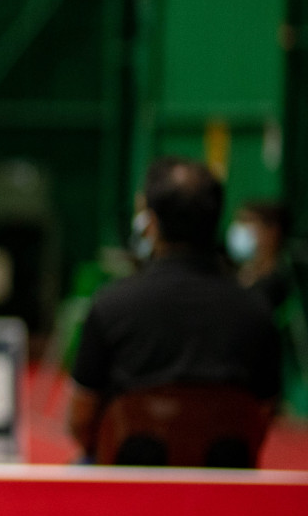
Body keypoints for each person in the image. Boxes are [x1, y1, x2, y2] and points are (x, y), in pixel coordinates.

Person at [68, 158, 281, 456]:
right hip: (223, 486)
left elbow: (81, 420)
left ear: (151, 225)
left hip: (130, 482)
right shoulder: (257, 312)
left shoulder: (110, 306)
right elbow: (262, 415)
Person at [229, 199, 294, 313]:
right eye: (238, 221)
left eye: (247, 221)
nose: (239, 229)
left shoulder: (276, 288)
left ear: (273, 232)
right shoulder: (233, 278)